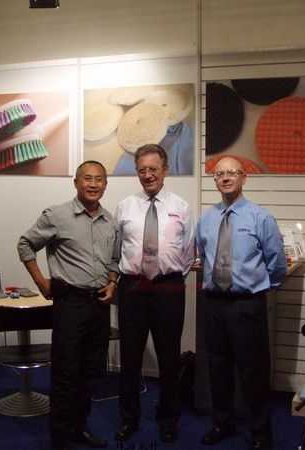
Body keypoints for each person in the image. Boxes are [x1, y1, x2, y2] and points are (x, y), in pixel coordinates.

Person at [17, 160, 119, 450]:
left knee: (90, 372)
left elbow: (114, 259)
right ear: (76, 182)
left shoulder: (110, 221)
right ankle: (60, 437)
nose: (93, 184)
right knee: (66, 372)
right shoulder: (57, 216)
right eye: (87, 178)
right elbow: (25, 244)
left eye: (99, 179)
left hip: (99, 305)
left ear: (105, 184)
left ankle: (79, 428)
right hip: (70, 304)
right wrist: (41, 282)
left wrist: (113, 282)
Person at [195, 156, 287, 450]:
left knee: (253, 371)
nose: (225, 178)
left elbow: (277, 263)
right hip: (213, 304)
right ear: (215, 180)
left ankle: (260, 431)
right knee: (217, 367)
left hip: (246, 305)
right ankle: (222, 423)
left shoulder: (261, 218)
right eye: (219, 174)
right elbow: (203, 256)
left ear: (243, 177)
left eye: (231, 173)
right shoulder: (206, 219)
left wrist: (258, 289)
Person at [114, 144, 194, 443]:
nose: (148, 175)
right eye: (142, 170)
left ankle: (168, 419)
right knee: (130, 358)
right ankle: (129, 418)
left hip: (168, 289)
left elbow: (188, 251)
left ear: (165, 170)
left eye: (153, 169)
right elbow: (117, 249)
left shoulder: (181, 207)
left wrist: (169, 275)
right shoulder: (125, 206)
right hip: (132, 288)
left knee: (169, 358)